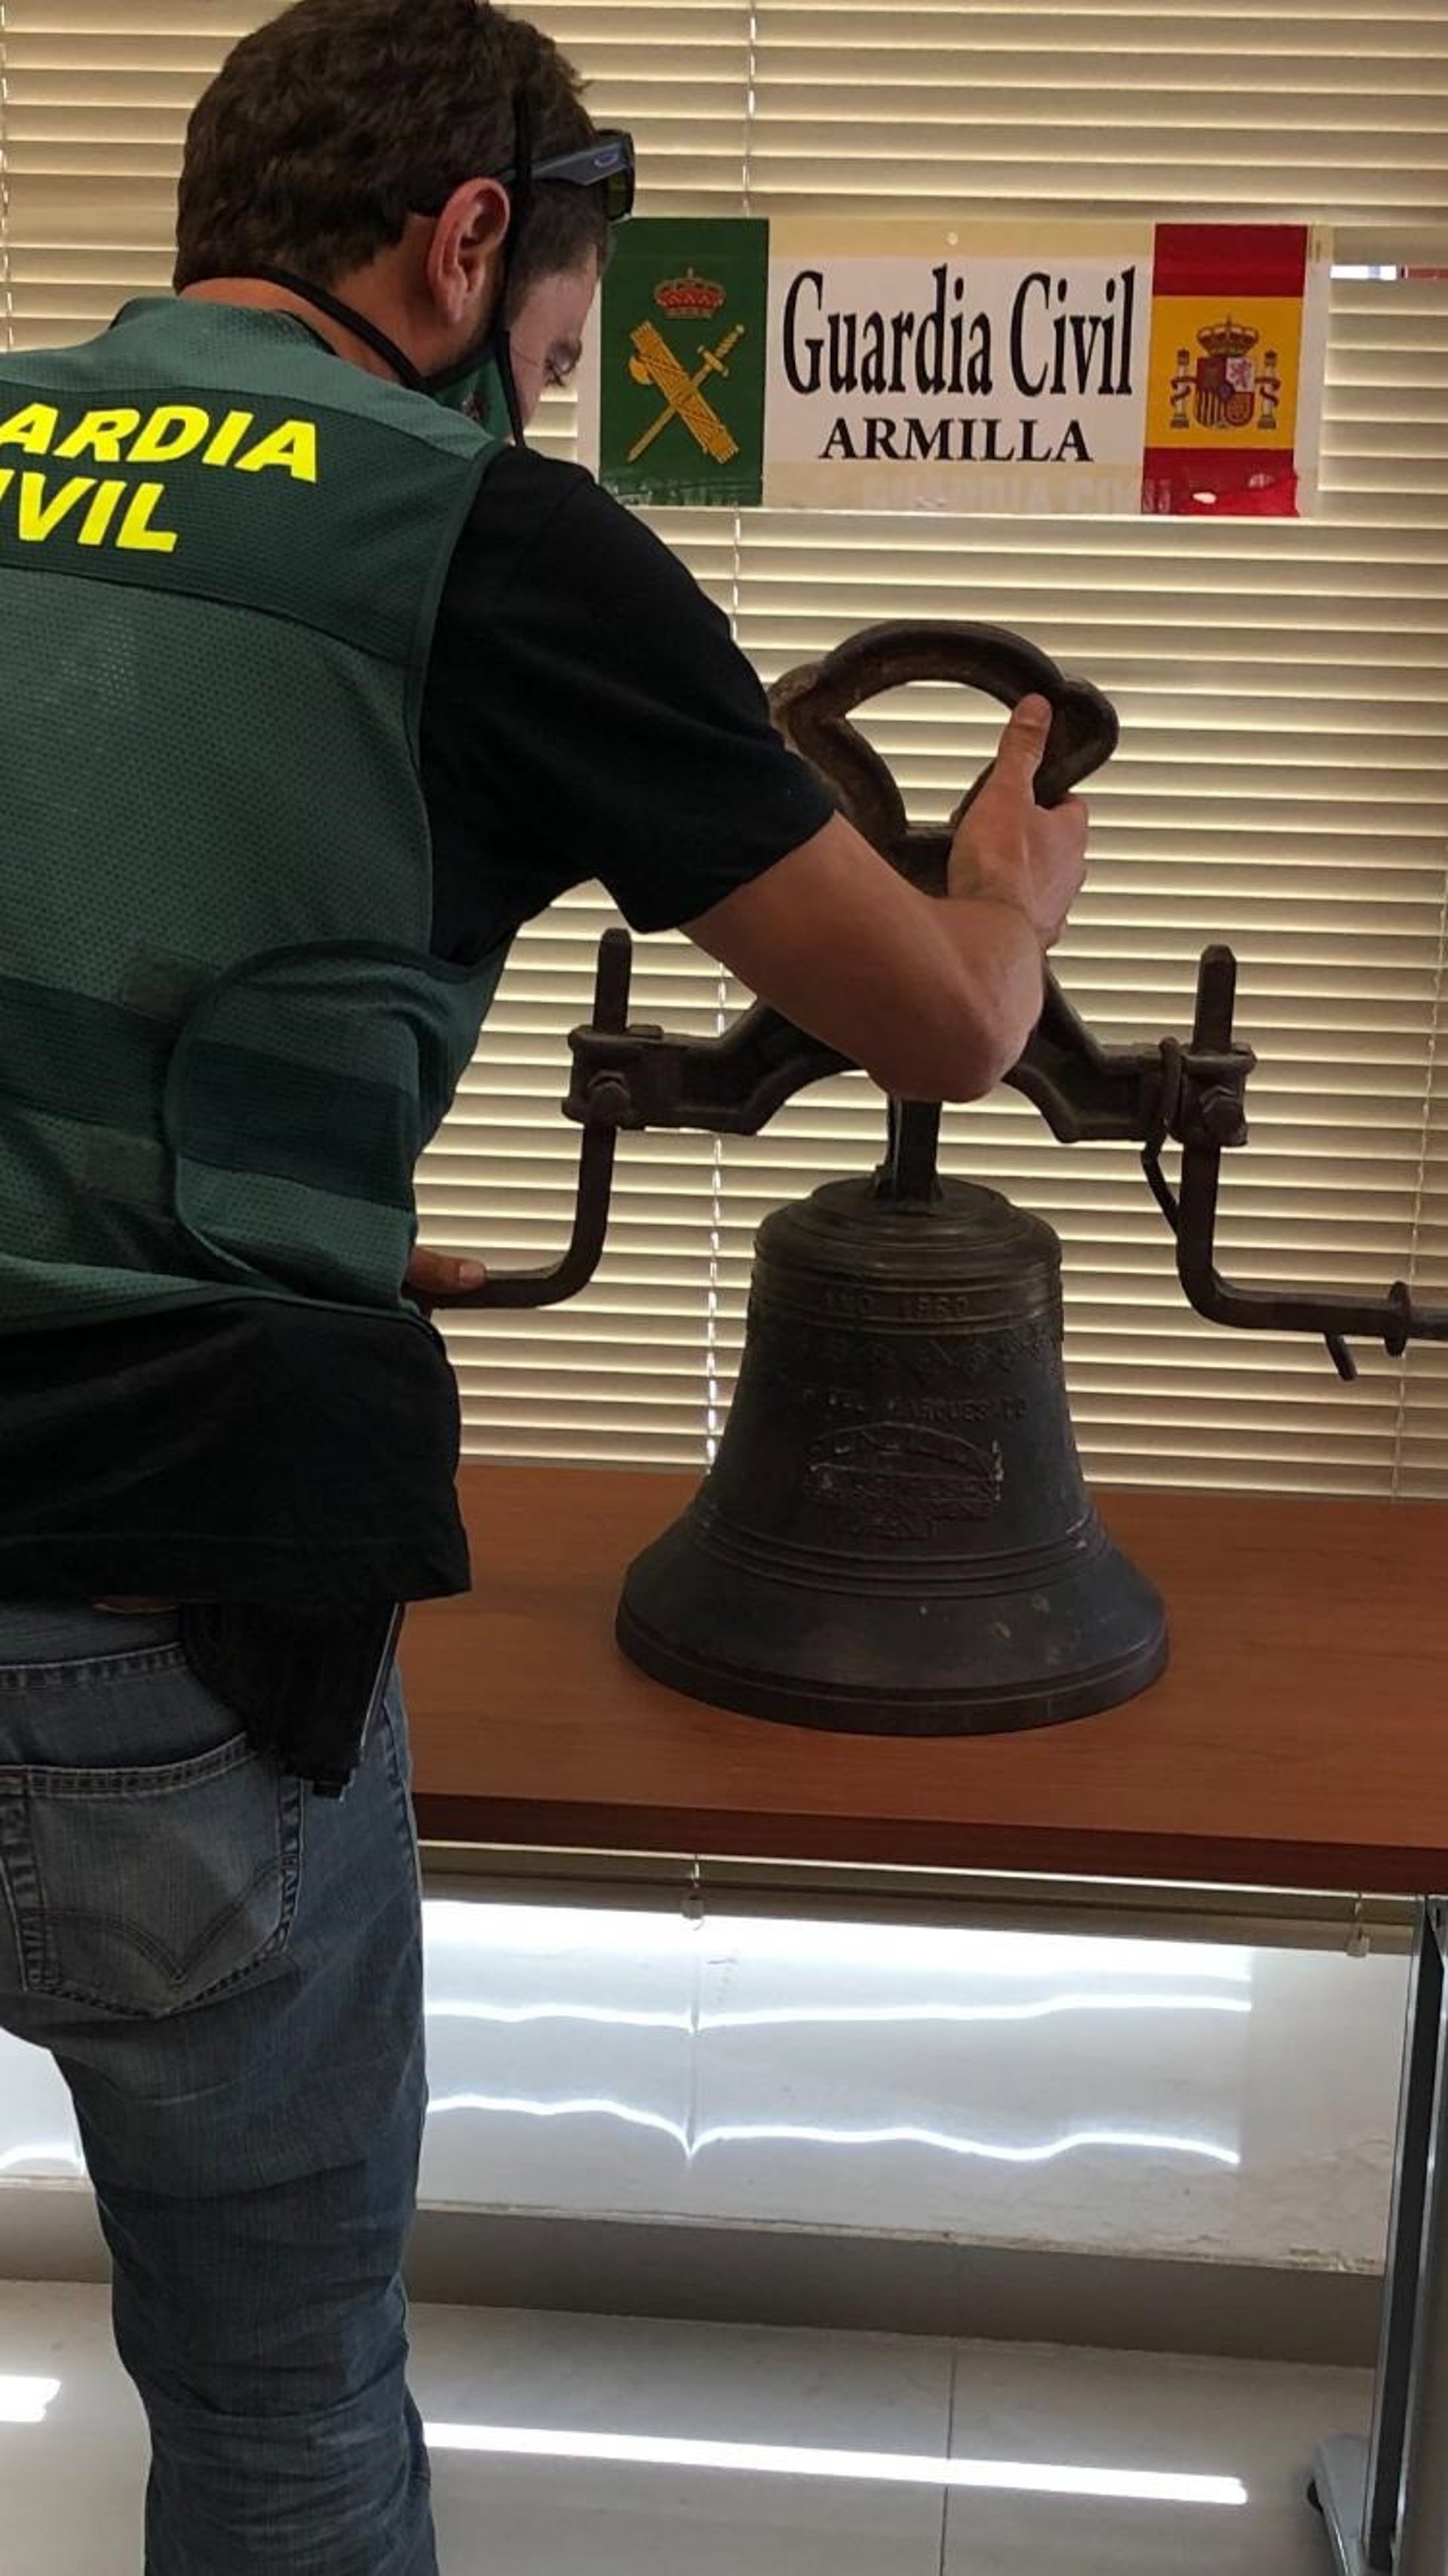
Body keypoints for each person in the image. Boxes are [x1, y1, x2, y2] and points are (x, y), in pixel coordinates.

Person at [0, 2, 1090, 2567]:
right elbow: (942, 1025)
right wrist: (1005, 894)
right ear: (471, 240)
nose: (550, 394)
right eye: (564, 343)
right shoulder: (482, 540)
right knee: (275, 2408)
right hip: (161, 1600)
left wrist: (246, 1171)